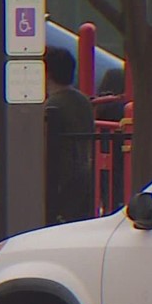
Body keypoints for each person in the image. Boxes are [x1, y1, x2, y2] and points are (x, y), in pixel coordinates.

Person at [44, 46, 96, 224]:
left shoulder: (52, 106)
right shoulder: (83, 101)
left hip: (59, 182)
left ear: (47, 73)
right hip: (85, 178)